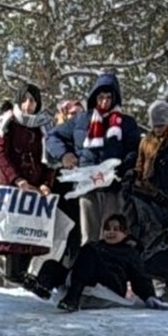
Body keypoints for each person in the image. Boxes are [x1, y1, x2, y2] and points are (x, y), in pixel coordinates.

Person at [44, 72, 142, 245]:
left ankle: (109, 271)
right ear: (94, 97)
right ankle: (88, 269)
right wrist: (65, 155)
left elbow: (134, 149)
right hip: (87, 185)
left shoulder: (126, 123)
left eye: (108, 98)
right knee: (88, 236)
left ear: (115, 98)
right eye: (101, 97)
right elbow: (52, 137)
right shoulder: (81, 120)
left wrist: (125, 165)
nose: (104, 102)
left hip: (113, 186)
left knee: (111, 233)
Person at [0, 82, 59, 287]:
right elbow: (0, 153)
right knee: (12, 230)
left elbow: (51, 157)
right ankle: (13, 273)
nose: (29, 105)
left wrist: (47, 183)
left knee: (32, 230)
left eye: (33, 100)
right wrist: (17, 179)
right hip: (14, 185)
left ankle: (25, 275)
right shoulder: (9, 122)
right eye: (26, 100)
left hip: (37, 186)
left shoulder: (45, 125)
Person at [124, 99, 168, 300]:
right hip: (149, 196)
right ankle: (156, 281)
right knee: (151, 241)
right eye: (156, 125)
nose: (159, 129)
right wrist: (134, 176)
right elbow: (140, 164)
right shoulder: (146, 141)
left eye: (163, 124)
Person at [56, 213, 168, 313]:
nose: (111, 232)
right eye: (107, 229)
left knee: (88, 251)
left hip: (111, 285)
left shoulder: (129, 252)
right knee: (51, 265)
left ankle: (72, 298)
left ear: (125, 233)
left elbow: (139, 277)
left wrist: (149, 296)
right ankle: (43, 289)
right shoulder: (97, 246)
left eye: (116, 229)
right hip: (87, 280)